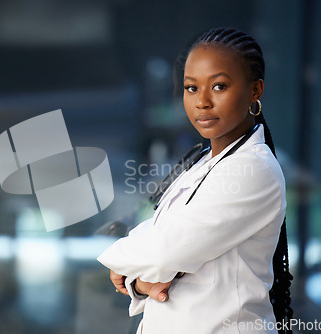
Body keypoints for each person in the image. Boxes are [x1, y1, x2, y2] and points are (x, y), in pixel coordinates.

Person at [98, 27, 293, 333]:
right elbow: (161, 233)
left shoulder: (254, 169)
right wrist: (142, 277)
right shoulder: (203, 163)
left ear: (255, 91)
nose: (202, 101)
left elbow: (165, 250)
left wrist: (124, 264)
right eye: (191, 88)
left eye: (218, 86)